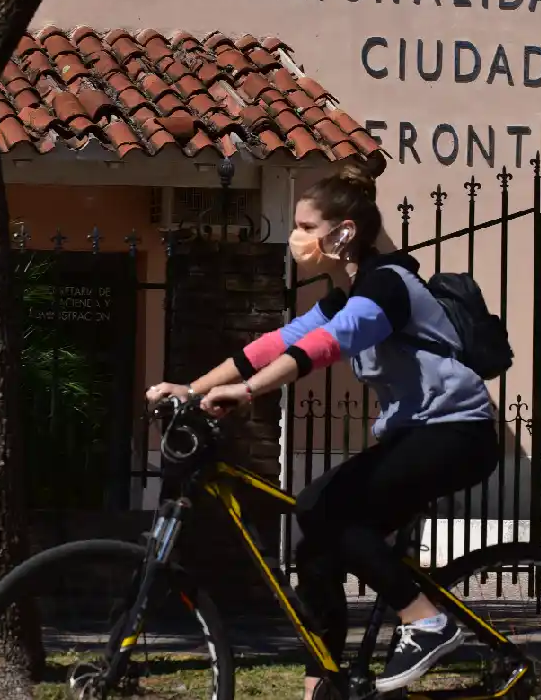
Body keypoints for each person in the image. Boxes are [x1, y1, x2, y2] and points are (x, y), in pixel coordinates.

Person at [146, 159, 499, 699]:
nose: (297, 238)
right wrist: (191, 389)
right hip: (416, 434)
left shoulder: (388, 287)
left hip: (457, 433)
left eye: (307, 227)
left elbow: (328, 346)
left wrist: (248, 392)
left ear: (344, 232)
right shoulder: (345, 296)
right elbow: (276, 342)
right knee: (316, 552)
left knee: (319, 506)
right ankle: (325, 685)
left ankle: (426, 621)